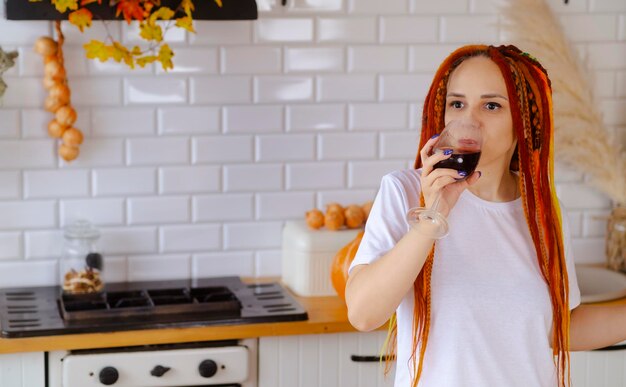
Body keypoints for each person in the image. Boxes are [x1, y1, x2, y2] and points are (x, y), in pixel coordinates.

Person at [345, 44, 626, 387]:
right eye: (457, 103)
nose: (468, 120)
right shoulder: (405, 192)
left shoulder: (543, 210)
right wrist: (432, 217)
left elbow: (555, 329)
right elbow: (363, 313)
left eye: (491, 105)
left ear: (522, 121)